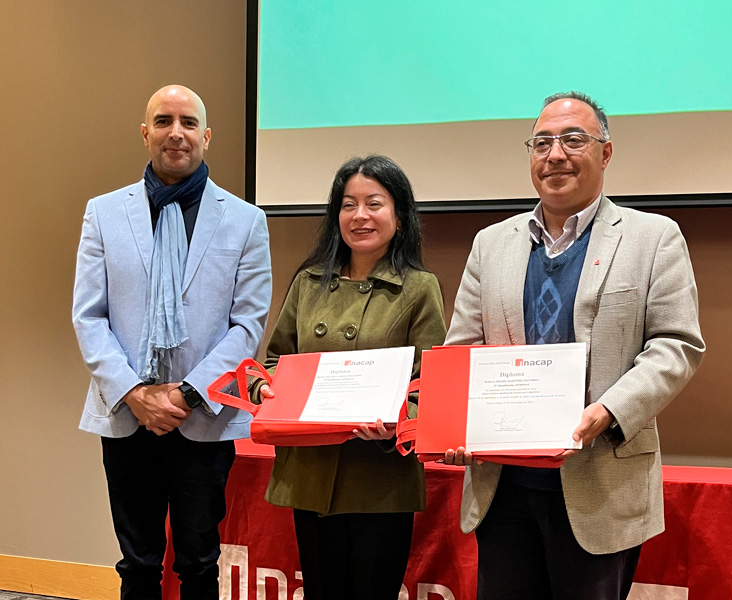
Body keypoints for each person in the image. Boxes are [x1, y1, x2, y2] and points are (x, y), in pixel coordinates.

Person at [444, 92, 705, 599]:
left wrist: (608, 410)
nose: (555, 155)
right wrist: (454, 425)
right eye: (542, 143)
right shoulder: (490, 243)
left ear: (605, 153)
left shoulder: (654, 238)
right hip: (503, 490)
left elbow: (677, 345)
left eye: (573, 140)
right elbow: (463, 351)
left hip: (601, 487)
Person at [72, 84, 272, 600]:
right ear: (146, 134)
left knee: (200, 564)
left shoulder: (246, 220)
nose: (175, 133)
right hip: (125, 414)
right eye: (163, 121)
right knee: (137, 564)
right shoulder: (103, 213)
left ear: (206, 136)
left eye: (187, 123)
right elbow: (89, 317)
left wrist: (184, 395)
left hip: (202, 417)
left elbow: (247, 325)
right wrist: (137, 393)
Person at [252, 155, 446, 600]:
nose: (360, 216)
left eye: (374, 203)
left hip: (378, 477)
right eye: (348, 204)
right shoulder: (308, 282)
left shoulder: (419, 288)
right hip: (311, 472)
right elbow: (276, 360)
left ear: (399, 215)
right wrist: (265, 387)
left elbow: (429, 383)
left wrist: (399, 421)